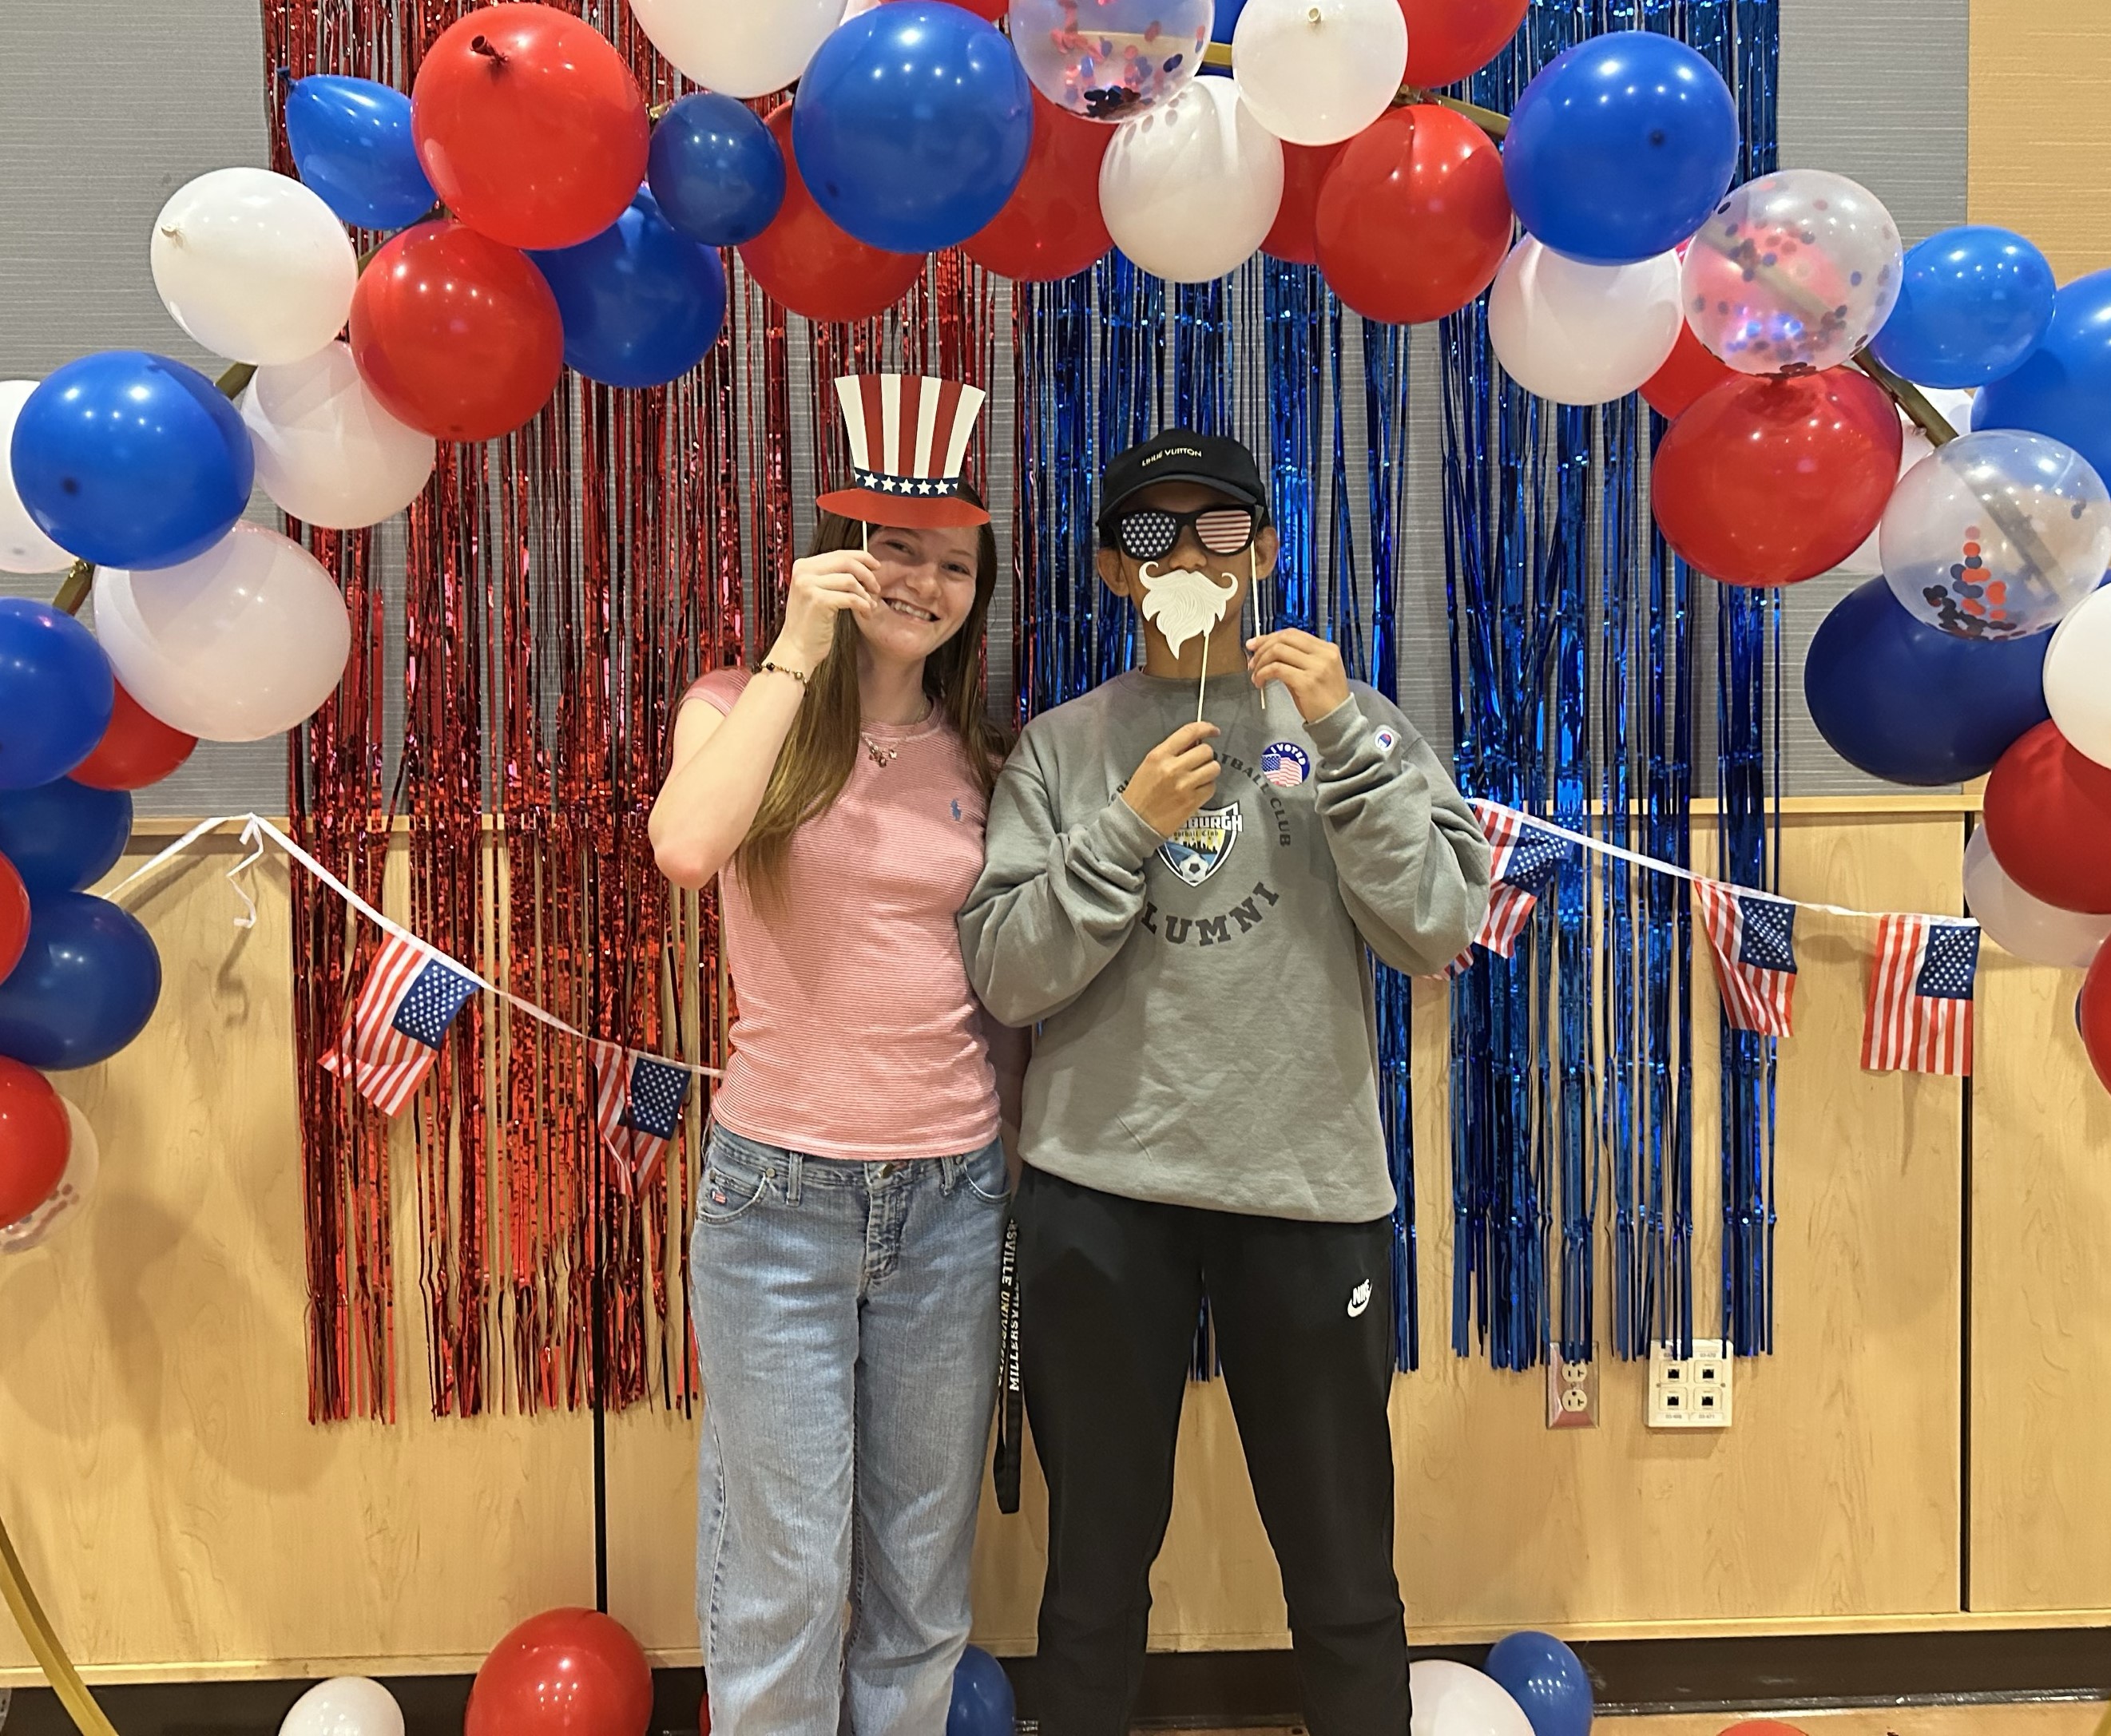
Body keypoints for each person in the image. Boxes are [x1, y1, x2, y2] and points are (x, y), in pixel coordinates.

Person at [958, 429, 1491, 1736]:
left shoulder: (1352, 726)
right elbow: (1007, 975)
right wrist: (1128, 823)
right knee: (1091, 1579)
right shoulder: (1064, 747)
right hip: (1102, 1195)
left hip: (1308, 1194)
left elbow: (1435, 928)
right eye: (1151, 531)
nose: (1185, 554)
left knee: (1346, 1575)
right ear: (1107, 567)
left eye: (1215, 529)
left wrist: (1348, 743)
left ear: (1261, 552)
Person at [649, 375, 1017, 1736]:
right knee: (785, 1575)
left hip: (952, 1196)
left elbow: (1007, 995)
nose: (921, 578)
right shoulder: (738, 705)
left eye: (953, 561)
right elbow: (686, 847)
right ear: (834, 543)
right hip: (777, 1201)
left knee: (920, 1580)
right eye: (893, 544)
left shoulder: (985, 755)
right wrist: (805, 640)